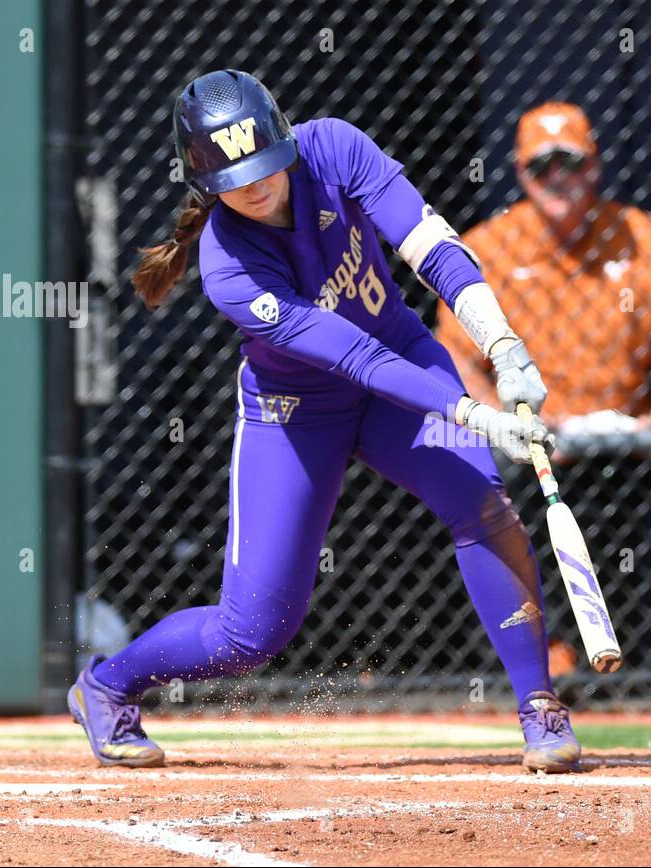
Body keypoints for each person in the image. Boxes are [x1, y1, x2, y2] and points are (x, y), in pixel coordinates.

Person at [67, 69, 584, 772]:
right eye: (233, 175)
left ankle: (540, 707)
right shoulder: (228, 267)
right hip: (297, 413)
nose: (257, 185)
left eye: (265, 162)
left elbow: (429, 243)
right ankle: (108, 682)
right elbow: (356, 358)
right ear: (202, 180)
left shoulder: (334, 147)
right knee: (254, 632)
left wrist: (503, 345)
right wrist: (474, 411)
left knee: (482, 503)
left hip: (402, 355)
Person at [436, 102, 651, 675]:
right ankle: (545, 645)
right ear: (519, 171)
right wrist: (508, 423)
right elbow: (457, 359)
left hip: (630, 431)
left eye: (572, 163)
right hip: (537, 437)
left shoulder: (647, 239)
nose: (559, 177)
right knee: (491, 472)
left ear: (596, 167)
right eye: (542, 166)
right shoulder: (489, 248)